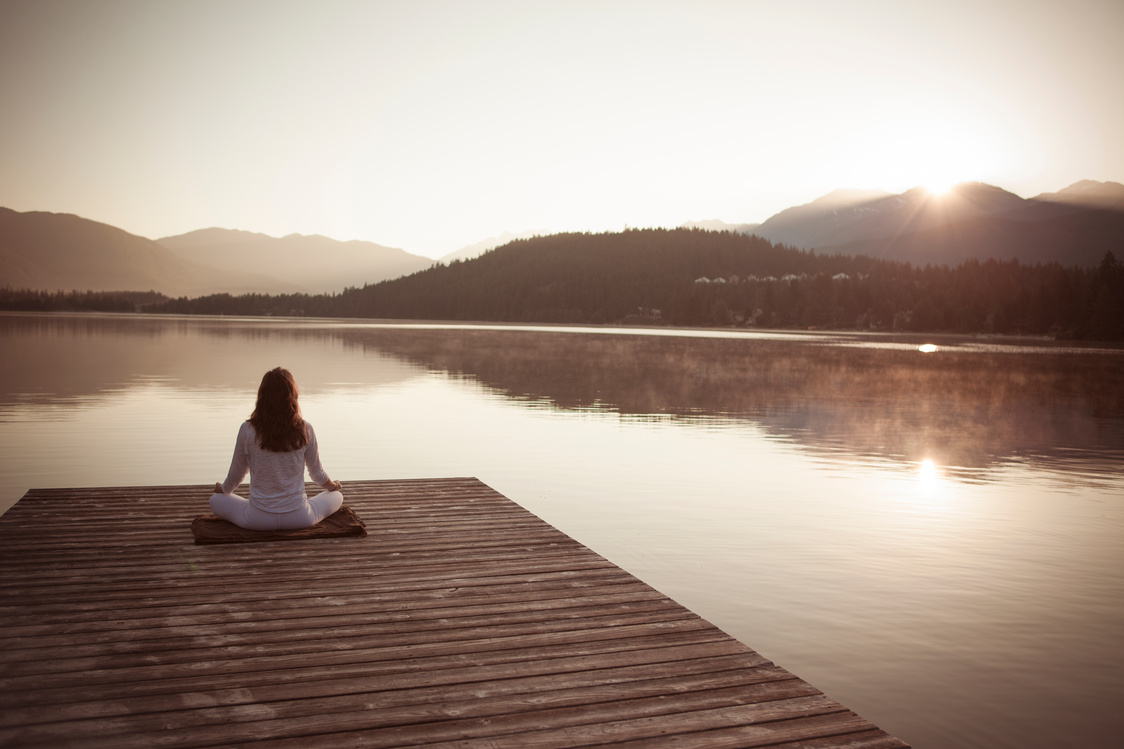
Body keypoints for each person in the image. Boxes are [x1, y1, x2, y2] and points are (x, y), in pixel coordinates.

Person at [209, 367, 343, 530]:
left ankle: (255, 507)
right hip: (300, 518)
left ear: (262, 396)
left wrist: (222, 489)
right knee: (337, 496)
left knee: (215, 500)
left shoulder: (247, 429)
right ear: (292, 397)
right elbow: (317, 474)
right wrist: (333, 486)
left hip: (257, 520)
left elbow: (237, 473)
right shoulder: (305, 429)